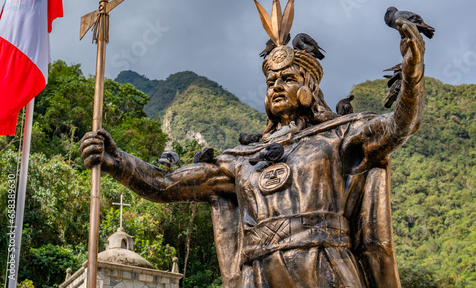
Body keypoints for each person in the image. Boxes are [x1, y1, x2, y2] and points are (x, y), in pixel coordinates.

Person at [80, 18, 425, 288]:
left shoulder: (339, 136)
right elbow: (167, 183)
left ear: (310, 87)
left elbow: (400, 126)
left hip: (324, 264)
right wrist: (116, 161)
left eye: (287, 79)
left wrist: (412, 73)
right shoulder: (242, 159)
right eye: (271, 82)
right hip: (259, 272)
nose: (276, 87)